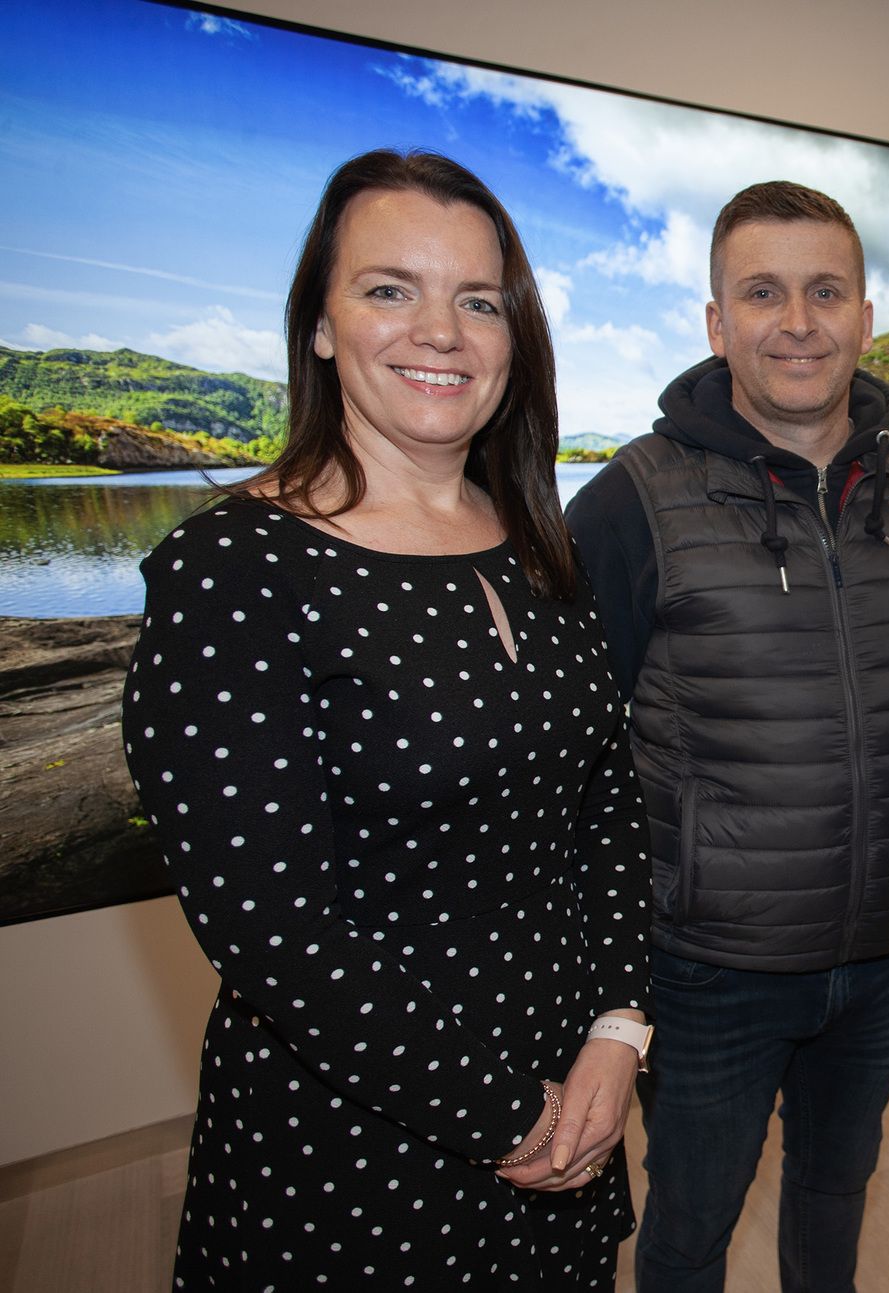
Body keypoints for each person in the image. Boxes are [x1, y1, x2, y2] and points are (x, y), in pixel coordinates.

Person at [121, 149, 654, 1289]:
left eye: (477, 300)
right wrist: (511, 1114)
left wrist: (617, 1033)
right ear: (320, 325)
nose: (442, 333)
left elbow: (605, 812)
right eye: (388, 290)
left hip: (575, 1104)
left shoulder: (538, 550)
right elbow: (272, 924)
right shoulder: (233, 570)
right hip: (356, 1152)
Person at [565, 180, 889, 1292]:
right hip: (708, 970)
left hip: (880, 961)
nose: (798, 320)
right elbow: (576, 763)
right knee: (689, 1227)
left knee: (836, 1197)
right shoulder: (628, 501)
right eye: (763, 292)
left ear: (865, 317)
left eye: (825, 290)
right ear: (716, 323)